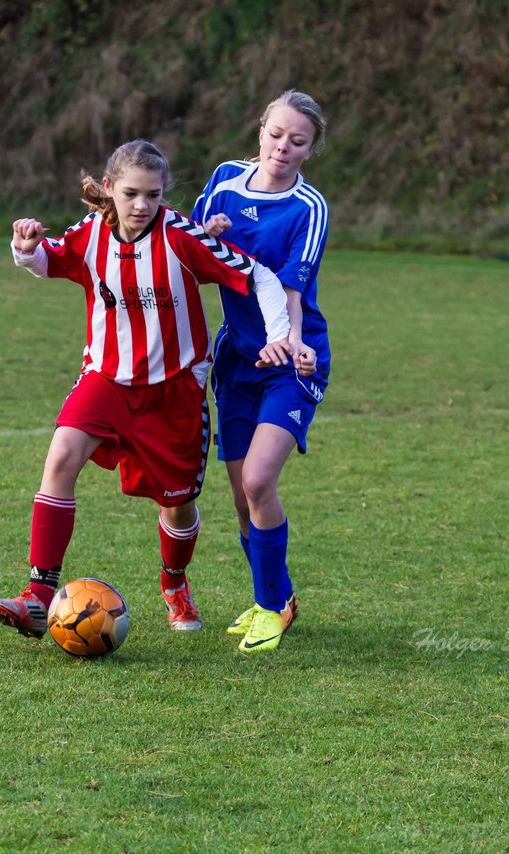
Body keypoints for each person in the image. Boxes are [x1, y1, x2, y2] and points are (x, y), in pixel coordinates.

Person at [0, 139, 299, 639]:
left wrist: (280, 334)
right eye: (131, 193)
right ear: (109, 189)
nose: (141, 205)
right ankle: (38, 596)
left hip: (174, 393)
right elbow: (49, 258)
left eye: (153, 195)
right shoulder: (90, 232)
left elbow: (258, 276)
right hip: (106, 380)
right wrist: (24, 248)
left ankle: (174, 582)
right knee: (62, 455)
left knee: (176, 504)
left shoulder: (181, 236)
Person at [191, 90, 330, 653]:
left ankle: (273, 606)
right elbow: (186, 248)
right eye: (276, 135)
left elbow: (291, 290)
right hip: (237, 359)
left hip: (292, 360)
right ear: (260, 131)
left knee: (258, 481)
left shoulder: (308, 208)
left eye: (298, 141)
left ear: (311, 148)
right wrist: (211, 233)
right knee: (239, 497)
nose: (283, 148)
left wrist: (292, 343)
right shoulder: (225, 177)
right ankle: (274, 596)